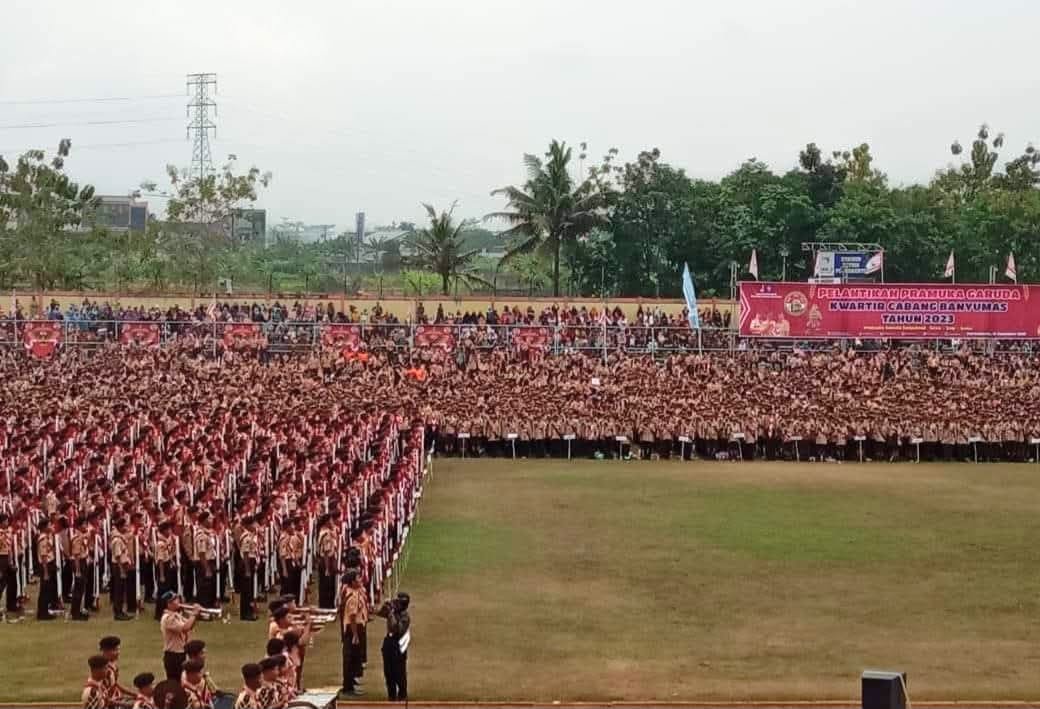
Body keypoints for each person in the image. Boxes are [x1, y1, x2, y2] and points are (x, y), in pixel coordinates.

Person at [375, 592, 411, 701]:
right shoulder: (393, 611)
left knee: (399, 672)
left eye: (398, 602)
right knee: (388, 672)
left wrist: (391, 613)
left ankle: (402, 695)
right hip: (389, 643)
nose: (395, 603)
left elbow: (396, 629)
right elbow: (379, 613)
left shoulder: (405, 616)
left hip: (398, 644)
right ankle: (391, 696)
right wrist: (385, 606)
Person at [337, 570, 366, 697]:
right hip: (353, 628)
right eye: (358, 578)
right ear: (353, 582)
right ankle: (348, 686)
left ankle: (351, 681)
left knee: (355, 657)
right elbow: (352, 616)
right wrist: (355, 634)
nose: (360, 580)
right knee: (350, 658)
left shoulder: (354, 592)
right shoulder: (352, 597)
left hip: (356, 626)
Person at [161, 592, 199, 681]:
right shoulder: (168, 618)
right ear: (169, 604)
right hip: (173, 656)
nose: (178, 601)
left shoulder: (176, 615)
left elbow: (190, 625)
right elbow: (185, 628)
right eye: (175, 599)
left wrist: (195, 615)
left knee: (181, 681)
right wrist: (194, 614)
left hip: (180, 653)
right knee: (175, 683)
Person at [99, 635, 134, 707]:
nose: (118, 652)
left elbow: (115, 684)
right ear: (105, 651)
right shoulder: (104, 671)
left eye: (118, 649)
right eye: (115, 650)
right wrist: (125, 704)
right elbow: (104, 698)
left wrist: (134, 694)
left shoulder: (113, 666)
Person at [36, 518, 58, 620]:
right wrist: (45, 572)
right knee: (44, 590)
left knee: (48, 589)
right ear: (44, 527)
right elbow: (44, 556)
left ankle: (45, 611)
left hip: (49, 564)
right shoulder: (43, 539)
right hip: (45, 565)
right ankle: (42, 613)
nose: (51, 526)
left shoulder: (47, 536)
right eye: (49, 525)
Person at [70, 517, 91, 621]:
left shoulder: (82, 536)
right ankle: (75, 612)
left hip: (83, 561)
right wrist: (78, 570)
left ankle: (77, 610)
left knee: (81, 588)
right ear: (79, 526)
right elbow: (76, 555)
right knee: (78, 589)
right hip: (79, 563)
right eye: (84, 524)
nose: (85, 526)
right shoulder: (77, 538)